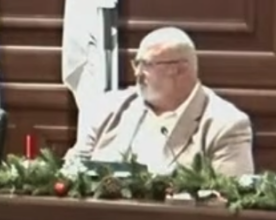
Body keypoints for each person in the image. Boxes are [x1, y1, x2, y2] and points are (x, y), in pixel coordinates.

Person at [65, 26, 253, 176]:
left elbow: (228, 203)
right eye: (136, 63)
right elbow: (69, 173)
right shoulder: (109, 108)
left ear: (179, 69)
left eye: (146, 64)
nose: (137, 73)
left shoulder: (226, 125)